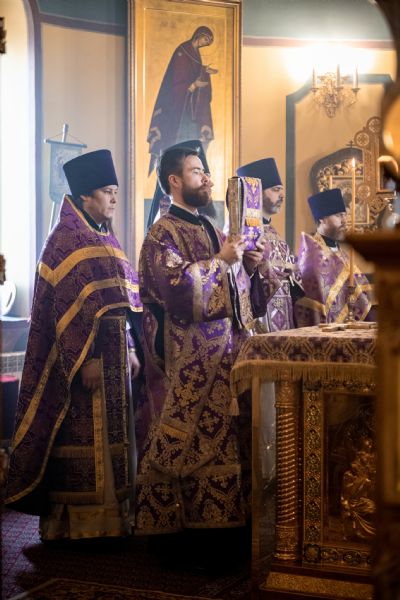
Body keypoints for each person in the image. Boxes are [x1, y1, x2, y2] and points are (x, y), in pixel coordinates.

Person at [135, 145, 266, 564]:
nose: (207, 178)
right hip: (185, 360)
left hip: (223, 357)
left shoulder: (210, 226)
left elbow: (236, 292)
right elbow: (177, 293)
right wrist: (221, 262)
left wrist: (249, 266)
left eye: (206, 170)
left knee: (225, 439)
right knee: (187, 442)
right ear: (174, 181)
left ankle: (225, 530)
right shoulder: (161, 233)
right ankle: (184, 537)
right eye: (196, 171)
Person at [5, 150, 143, 541]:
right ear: (84, 194)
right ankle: (78, 526)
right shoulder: (64, 239)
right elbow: (62, 312)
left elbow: (119, 301)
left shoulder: (105, 236)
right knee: (84, 436)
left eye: (115, 191)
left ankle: (114, 519)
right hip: (82, 363)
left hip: (115, 356)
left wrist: (130, 346)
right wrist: (85, 361)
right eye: (106, 191)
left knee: (115, 438)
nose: (114, 198)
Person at [237, 157, 303, 332]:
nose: (282, 195)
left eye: (282, 190)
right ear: (257, 193)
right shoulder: (243, 231)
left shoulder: (273, 231)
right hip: (261, 317)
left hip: (284, 315)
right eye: (275, 190)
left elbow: (294, 273)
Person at [295, 188, 375, 326]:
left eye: (345, 215)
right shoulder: (312, 256)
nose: (344, 220)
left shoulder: (340, 253)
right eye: (338, 216)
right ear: (322, 219)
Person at [147, 26, 217, 175]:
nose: (205, 43)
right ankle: (178, 171)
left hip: (190, 109)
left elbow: (195, 71)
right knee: (178, 142)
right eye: (205, 39)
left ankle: (190, 171)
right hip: (179, 109)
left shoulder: (195, 52)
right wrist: (193, 85)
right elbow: (177, 80)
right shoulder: (182, 51)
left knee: (192, 142)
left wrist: (205, 71)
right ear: (199, 35)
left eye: (208, 43)